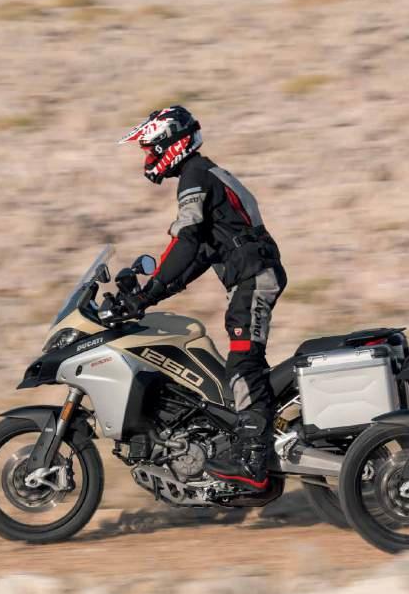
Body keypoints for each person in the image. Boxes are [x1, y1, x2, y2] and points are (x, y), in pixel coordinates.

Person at [115, 105, 287, 490]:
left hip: (254, 277)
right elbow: (198, 256)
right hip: (251, 274)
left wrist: (149, 291)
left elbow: (186, 240)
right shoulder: (203, 173)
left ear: (171, 144)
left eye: (152, 149)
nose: (149, 157)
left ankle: (253, 460)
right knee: (244, 358)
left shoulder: (195, 176)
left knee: (243, 360)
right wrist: (148, 296)